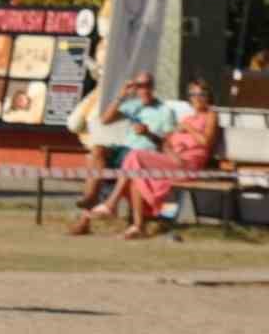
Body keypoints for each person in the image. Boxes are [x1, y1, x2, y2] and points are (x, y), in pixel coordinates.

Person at [82, 80, 218, 239]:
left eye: (201, 94)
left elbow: (206, 142)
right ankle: (137, 227)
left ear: (208, 96)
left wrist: (188, 129)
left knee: (135, 156)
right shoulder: (186, 119)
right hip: (173, 159)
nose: (197, 98)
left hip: (189, 164)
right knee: (135, 176)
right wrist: (164, 142)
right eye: (193, 95)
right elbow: (165, 142)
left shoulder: (210, 115)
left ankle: (112, 203)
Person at [72, 71, 175, 216]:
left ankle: (94, 210)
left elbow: (168, 144)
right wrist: (122, 95)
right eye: (139, 86)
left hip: (145, 156)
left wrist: (148, 134)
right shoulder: (133, 105)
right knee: (97, 150)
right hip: (125, 150)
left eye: (147, 86)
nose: (143, 90)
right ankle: (91, 197)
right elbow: (105, 119)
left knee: (129, 157)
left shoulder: (165, 111)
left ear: (153, 87)